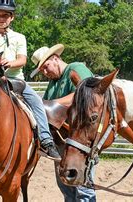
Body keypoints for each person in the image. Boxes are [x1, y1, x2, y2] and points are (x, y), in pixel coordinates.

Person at [0, 0, 60, 160]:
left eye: (5, 15)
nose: (1, 18)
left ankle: (46, 140)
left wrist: (10, 63)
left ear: (12, 17)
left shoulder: (19, 37)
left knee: (36, 102)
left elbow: (22, 60)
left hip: (15, 81)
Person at [31, 43, 96, 202]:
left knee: (82, 187)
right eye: (42, 71)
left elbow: (86, 94)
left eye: (46, 67)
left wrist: (53, 103)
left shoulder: (76, 68)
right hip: (62, 142)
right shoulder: (53, 82)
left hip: (80, 141)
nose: (45, 72)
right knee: (66, 186)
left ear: (55, 58)